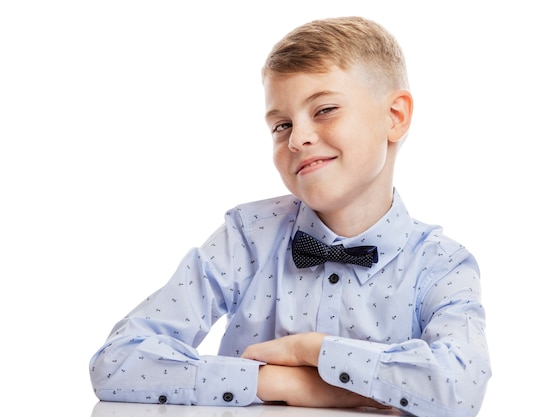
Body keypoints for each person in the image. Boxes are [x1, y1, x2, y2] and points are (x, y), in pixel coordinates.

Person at [89, 16, 491, 416]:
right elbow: (118, 360)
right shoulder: (247, 237)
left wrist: (311, 350)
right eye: (281, 125)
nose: (297, 139)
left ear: (395, 116)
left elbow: (461, 386)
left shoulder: (442, 265)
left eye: (325, 109)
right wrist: (288, 384)